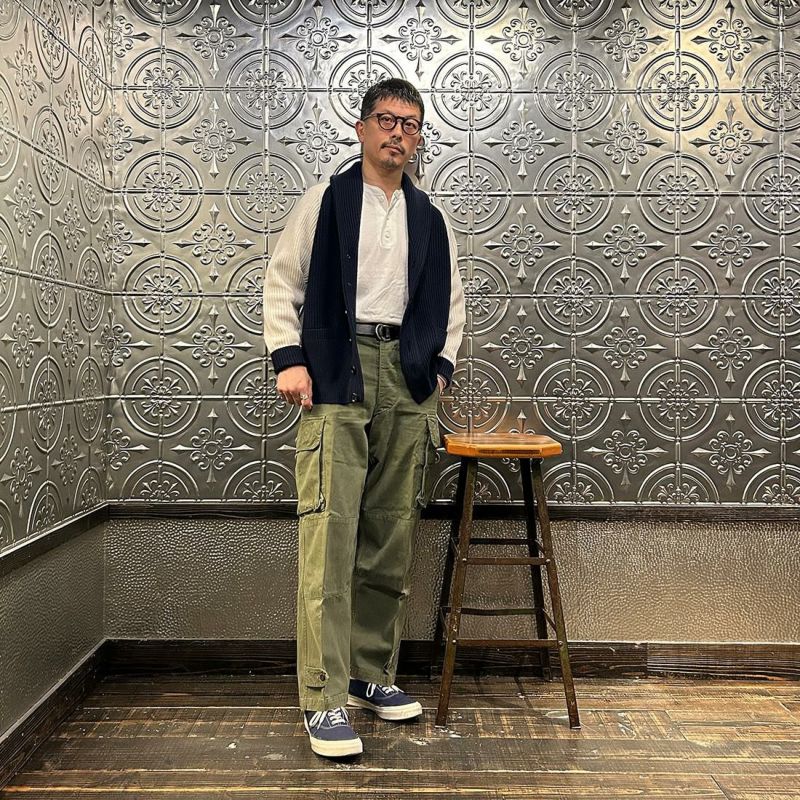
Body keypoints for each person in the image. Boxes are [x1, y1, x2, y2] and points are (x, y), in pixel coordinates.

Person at [263, 78, 466, 758]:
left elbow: (451, 304)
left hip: (406, 378)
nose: (398, 133)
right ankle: (323, 698)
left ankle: (369, 673)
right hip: (334, 372)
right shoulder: (324, 201)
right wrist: (289, 358)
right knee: (330, 533)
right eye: (386, 119)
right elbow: (283, 281)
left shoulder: (430, 217)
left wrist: (439, 370)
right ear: (361, 128)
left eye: (410, 124)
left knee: (390, 534)